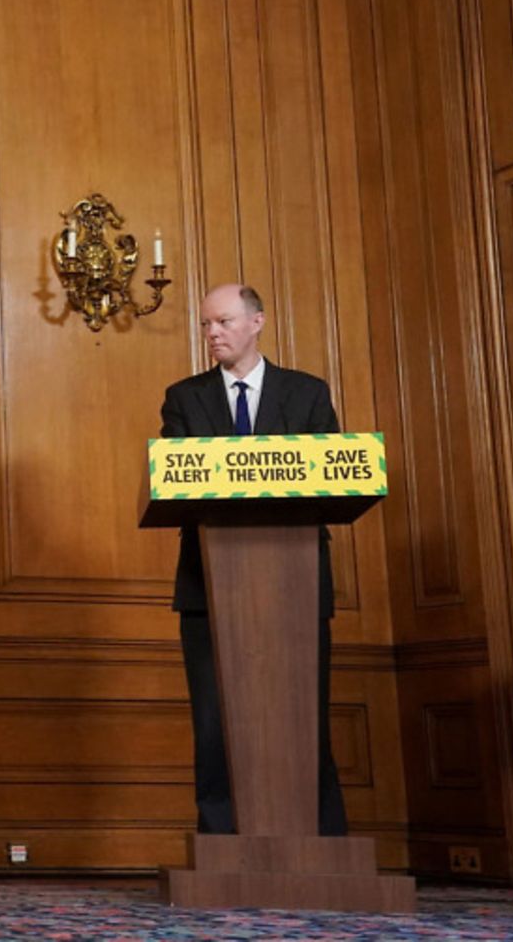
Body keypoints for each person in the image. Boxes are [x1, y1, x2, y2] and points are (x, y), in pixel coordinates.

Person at [159, 283, 346, 836]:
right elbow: (176, 478)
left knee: (304, 716)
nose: (213, 334)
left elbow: (331, 475)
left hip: (295, 582)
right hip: (209, 585)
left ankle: (321, 837)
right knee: (215, 721)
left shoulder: (307, 393)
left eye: (223, 322)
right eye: (206, 325)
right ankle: (221, 839)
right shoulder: (184, 398)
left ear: (257, 321)